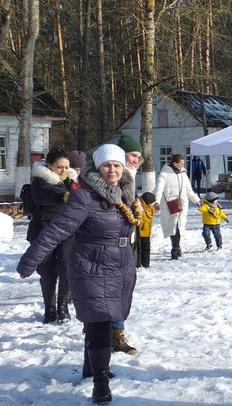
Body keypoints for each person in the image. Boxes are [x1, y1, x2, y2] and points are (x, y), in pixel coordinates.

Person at [17, 144, 141, 403]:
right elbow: (57, 230)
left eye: (117, 165)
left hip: (120, 265)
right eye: (106, 165)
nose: (112, 170)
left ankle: (90, 367)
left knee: (102, 319)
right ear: (96, 167)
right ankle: (100, 383)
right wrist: (30, 261)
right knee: (101, 320)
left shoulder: (126, 193)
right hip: (90, 266)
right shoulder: (84, 196)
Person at [26, 148, 77, 323]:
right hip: (43, 233)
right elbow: (43, 196)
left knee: (67, 269)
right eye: (59, 167)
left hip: (68, 234)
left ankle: (63, 306)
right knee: (47, 272)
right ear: (50, 166)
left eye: (66, 167)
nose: (63, 170)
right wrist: (64, 195)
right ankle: (50, 307)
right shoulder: (40, 181)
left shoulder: (72, 181)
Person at [113, 134, 144, 355]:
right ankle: (111, 337)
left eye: (138, 157)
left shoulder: (129, 177)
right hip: (106, 244)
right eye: (132, 155)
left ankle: (115, 334)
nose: (135, 160)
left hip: (125, 242)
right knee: (112, 293)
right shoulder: (112, 177)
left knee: (123, 291)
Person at [154, 154, 200, 260]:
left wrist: (197, 200)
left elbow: (189, 190)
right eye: (181, 164)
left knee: (179, 227)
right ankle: (174, 249)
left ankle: (177, 247)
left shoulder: (183, 173)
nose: (183, 166)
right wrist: (156, 202)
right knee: (173, 227)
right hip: (170, 204)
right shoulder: (164, 174)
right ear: (175, 163)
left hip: (182, 204)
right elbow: (159, 189)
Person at [137, 192, 156, 268]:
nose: (152, 205)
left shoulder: (148, 207)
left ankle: (146, 264)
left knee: (146, 249)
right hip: (140, 232)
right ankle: (140, 264)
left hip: (147, 232)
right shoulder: (140, 207)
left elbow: (151, 214)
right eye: (151, 203)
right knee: (141, 249)